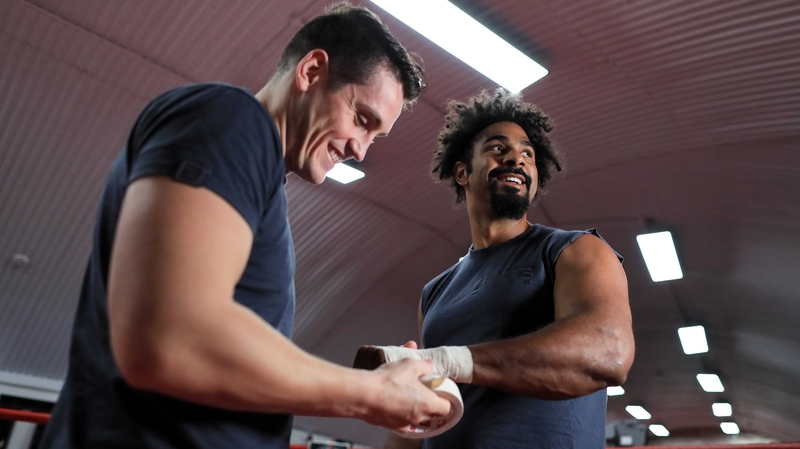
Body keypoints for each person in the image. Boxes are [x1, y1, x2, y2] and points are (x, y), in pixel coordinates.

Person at [40, 3, 451, 449]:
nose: (360, 150)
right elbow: (169, 337)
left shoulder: (263, 185)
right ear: (311, 71)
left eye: (375, 135)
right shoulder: (231, 119)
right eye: (361, 119)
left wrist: (370, 384)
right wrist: (369, 394)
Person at [372, 89, 635, 448]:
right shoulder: (435, 291)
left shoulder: (575, 250)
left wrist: (446, 360)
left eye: (528, 154)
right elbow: (424, 412)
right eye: (498, 148)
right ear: (462, 172)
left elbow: (608, 354)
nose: (516, 159)